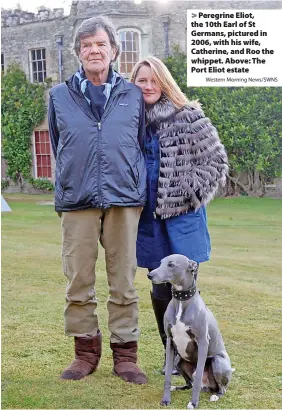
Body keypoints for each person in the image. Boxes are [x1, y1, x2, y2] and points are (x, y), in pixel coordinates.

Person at [48, 16, 148, 385]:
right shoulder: (59, 95)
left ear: (113, 51)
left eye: (100, 44)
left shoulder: (132, 94)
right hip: (78, 201)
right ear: (78, 53)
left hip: (124, 199)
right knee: (78, 280)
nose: (94, 50)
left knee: (123, 281)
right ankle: (85, 354)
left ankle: (126, 356)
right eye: (87, 45)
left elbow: (137, 141)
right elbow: (60, 145)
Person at [130, 57, 229, 374]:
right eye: (141, 80)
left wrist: (189, 190)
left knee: (185, 291)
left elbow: (216, 164)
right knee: (160, 288)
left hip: (182, 219)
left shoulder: (189, 116)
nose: (147, 86)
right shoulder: (130, 121)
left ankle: (197, 354)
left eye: (153, 80)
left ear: (164, 83)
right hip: (148, 221)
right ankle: (171, 355)